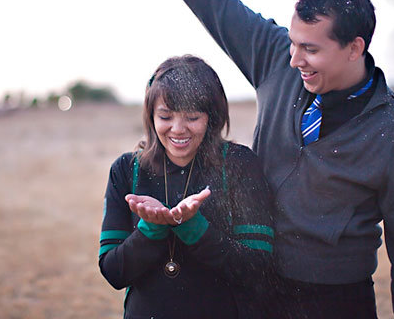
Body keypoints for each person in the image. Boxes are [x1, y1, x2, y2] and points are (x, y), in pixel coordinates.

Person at [122, 0, 394, 318]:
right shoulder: (275, 59)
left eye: (310, 49)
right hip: (253, 288)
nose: (294, 59)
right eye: (292, 42)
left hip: (336, 302)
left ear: (354, 48)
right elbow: (214, 2)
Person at [98, 55, 275, 318]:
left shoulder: (239, 164)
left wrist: (195, 228)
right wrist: (152, 228)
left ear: (212, 117)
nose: (178, 129)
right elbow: (113, 271)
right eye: (165, 116)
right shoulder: (126, 170)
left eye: (192, 117)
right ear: (151, 116)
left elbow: (258, 269)